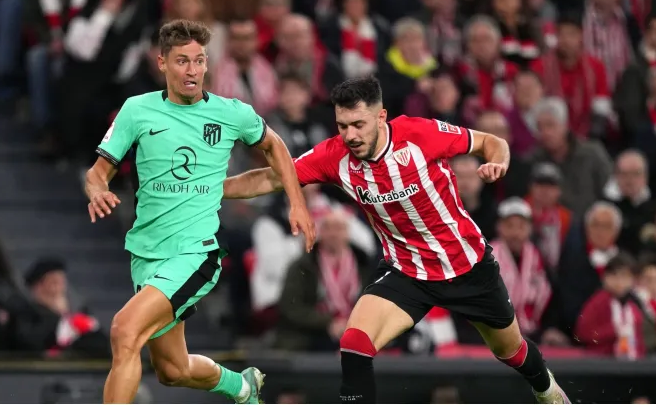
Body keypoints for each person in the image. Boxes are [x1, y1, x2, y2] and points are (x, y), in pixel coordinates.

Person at [224, 76, 570, 404]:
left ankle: (547, 390)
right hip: (407, 272)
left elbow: (490, 142)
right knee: (354, 343)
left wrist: (498, 162)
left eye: (359, 125)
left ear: (381, 117)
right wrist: (211, 190)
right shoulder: (334, 155)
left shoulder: (420, 133)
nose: (350, 136)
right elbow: (271, 178)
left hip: (467, 267)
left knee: (510, 352)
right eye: (342, 126)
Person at [84, 19, 315, 404]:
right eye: (182, 62)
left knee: (124, 331)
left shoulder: (232, 113)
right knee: (173, 371)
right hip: (146, 253)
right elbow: (97, 172)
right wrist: (97, 190)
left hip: (195, 253)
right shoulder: (136, 110)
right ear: (162, 63)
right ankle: (242, 387)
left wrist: (297, 204)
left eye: (199, 61)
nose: (192, 71)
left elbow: (275, 148)